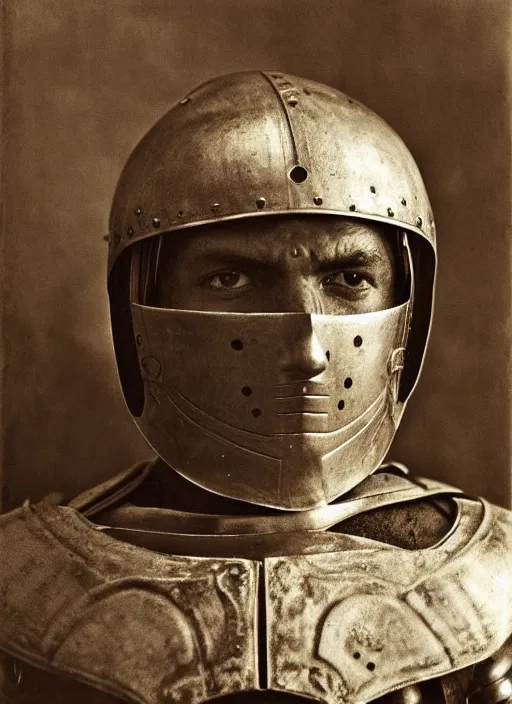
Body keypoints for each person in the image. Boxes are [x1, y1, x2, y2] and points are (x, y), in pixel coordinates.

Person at [0, 71, 511, 704]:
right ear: (142, 302)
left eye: (350, 277)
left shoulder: (495, 584)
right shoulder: (20, 587)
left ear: (411, 302)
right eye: (231, 280)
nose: (308, 352)